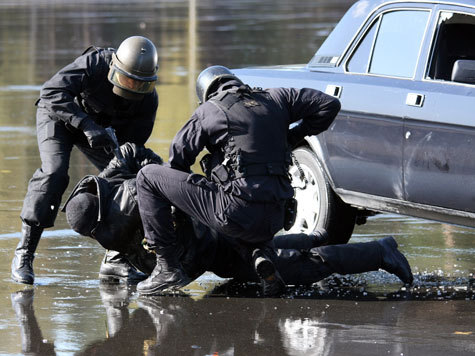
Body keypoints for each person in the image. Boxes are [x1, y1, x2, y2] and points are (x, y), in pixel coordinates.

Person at [63, 142, 414, 294]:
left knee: (290, 268)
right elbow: (130, 152)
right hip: (216, 222)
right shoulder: (106, 185)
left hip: (215, 237)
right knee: (276, 252)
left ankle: (380, 252)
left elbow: (172, 254)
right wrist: (172, 174)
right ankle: (317, 237)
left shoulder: (125, 215)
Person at [135, 65, 342, 296]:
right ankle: (262, 255)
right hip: (276, 218)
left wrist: (180, 212)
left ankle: (167, 268)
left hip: (235, 214)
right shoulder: (277, 97)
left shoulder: (209, 111)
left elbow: (177, 162)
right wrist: (292, 136)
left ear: (206, 93)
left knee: (147, 177)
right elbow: (330, 104)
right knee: (242, 193)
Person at [11, 35, 160, 285]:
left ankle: (116, 258)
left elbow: (132, 146)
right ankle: (24, 253)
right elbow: (51, 92)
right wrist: (85, 124)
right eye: (126, 80)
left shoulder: (148, 102)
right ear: (114, 67)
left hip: (101, 133)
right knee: (55, 173)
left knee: (129, 182)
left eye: (140, 85)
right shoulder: (94, 63)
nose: (132, 88)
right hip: (59, 117)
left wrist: (117, 168)